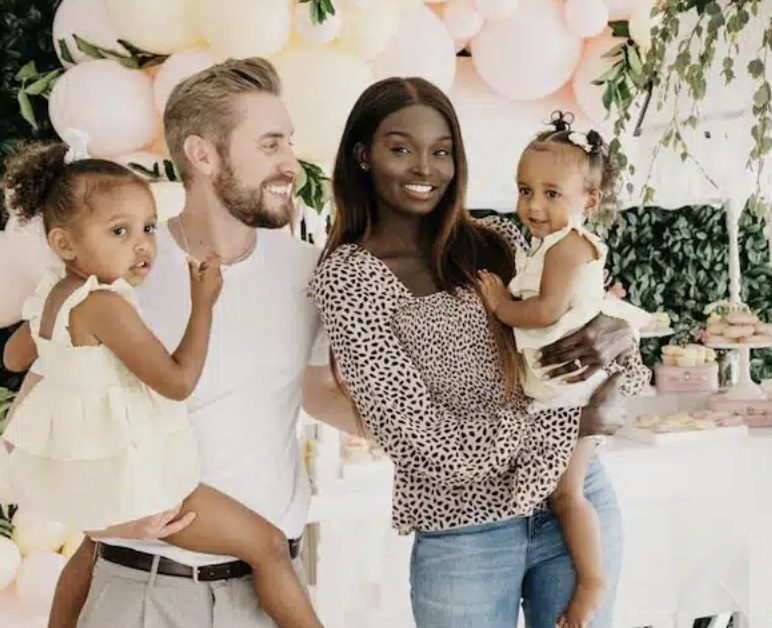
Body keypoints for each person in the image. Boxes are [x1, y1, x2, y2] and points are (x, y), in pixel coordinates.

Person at [4, 57, 355, 628]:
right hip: (143, 595)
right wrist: (112, 520)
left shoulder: (311, 272)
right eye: (270, 145)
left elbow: (312, 391)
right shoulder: (119, 277)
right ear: (202, 154)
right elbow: (33, 429)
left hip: (265, 600)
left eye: (288, 142)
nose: (290, 163)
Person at [309, 77, 650, 628]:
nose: (425, 168)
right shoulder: (349, 278)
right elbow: (418, 438)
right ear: (362, 156)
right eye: (401, 148)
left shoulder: (499, 241)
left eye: (441, 151)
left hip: (574, 501)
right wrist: (566, 420)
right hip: (466, 530)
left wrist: (619, 337)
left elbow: (611, 363)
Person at [477, 111, 651, 628]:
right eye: (525, 189)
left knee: (568, 493)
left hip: (569, 397)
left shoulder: (567, 247)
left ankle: (591, 583)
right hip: (562, 392)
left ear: (588, 201)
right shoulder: (551, 245)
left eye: (552, 193)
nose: (533, 205)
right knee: (561, 491)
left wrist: (499, 304)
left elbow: (547, 312)